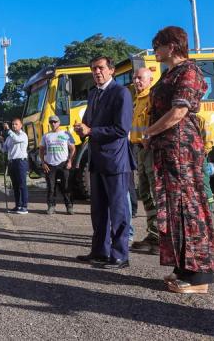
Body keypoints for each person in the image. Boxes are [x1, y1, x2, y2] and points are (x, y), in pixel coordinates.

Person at [144, 26, 214, 293]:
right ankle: (184, 267)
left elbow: (179, 111)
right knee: (174, 207)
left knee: (189, 206)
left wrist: (149, 132)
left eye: (157, 46)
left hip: (182, 150)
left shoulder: (189, 71)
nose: (155, 51)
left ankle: (199, 276)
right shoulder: (170, 73)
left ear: (171, 46)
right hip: (168, 150)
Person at [74, 56, 135, 270]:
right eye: (93, 69)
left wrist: (92, 131)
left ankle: (120, 255)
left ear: (111, 70)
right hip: (96, 159)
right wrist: (82, 129)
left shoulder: (121, 93)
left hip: (116, 161)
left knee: (118, 210)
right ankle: (100, 251)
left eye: (100, 68)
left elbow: (121, 129)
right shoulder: (93, 94)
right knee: (98, 210)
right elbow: (90, 123)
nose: (96, 72)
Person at [129, 67, 158, 255]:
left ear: (150, 79)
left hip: (151, 150)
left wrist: (151, 138)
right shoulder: (137, 100)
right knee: (146, 193)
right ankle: (153, 235)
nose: (136, 81)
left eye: (140, 78)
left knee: (156, 192)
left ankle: (160, 236)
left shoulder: (153, 98)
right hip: (139, 149)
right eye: (135, 78)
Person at [38, 115, 75, 215]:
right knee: (51, 187)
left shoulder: (66, 134)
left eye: (55, 122)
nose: (53, 124)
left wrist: (70, 161)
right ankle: (51, 206)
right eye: (51, 122)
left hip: (63, 164)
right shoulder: (46, 136)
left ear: (59, 122)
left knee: (66, 186)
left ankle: (69, 207)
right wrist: (43, 162)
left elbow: (72, 148)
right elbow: (41, 150)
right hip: (50, 165)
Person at [0, 118, 29, 214]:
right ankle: (18, 205)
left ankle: (24, 207)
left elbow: (17, 139)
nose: (14, 126)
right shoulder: (9, 138)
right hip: (12, 162)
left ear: (21, 125)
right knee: (15, 186)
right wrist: (1, 142)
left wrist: (8, 130)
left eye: (16, 124)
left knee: (22, 185)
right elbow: (4, 150)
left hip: (21, 162)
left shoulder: (23, 135)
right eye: (12, 124)